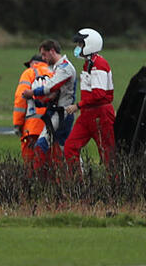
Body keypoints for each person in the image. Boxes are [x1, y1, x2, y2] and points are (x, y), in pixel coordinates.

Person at [62, 27, 116, 166]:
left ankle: (115, 180)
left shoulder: (99, 64)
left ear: (90, 45)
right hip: (87, 114)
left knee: (107, 155)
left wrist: (78, 106)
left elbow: (99, 94)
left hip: (101, 115)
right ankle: (76, 179)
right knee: (70, 147)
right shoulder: (88, 64)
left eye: (81, 44)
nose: (78, 47)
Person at [21, 38, 76, 169]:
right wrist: (40, 100)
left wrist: (32, 93)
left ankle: (37, 177)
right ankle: (76, 176)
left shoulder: (65, 68)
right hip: (58, 113)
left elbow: (49, 88)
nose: (43, 58)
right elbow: (53, 93)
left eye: (44, 54)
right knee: (63, 151)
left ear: (52, 51)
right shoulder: (57, 68)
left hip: (62, 114)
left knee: (42, 146)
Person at [12, 50, 53, 165]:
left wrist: (17, 124)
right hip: (52, 126)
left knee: (31, 164)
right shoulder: (55, 73)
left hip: (32, 127)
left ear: (33, 63)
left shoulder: (29, 73)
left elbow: (20, 98)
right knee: (49, 164)